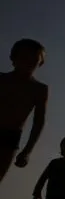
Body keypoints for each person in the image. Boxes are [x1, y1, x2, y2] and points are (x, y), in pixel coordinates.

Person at [0, 39, 48, 185]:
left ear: (40, 63)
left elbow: (39, 121)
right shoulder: (2, 79)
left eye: (34, 59)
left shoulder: (39, 89)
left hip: (10, 137)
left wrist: (27, 151)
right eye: (24, 57)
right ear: (14, 58)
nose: (28, 62)